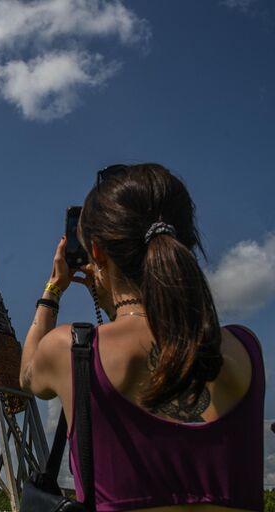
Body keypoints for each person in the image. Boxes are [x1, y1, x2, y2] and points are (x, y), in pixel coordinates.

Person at [20, 164, 264, 511]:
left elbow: (28, 374)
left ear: (97, 252)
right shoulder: (245, 350)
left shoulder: (73, 350)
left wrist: (53, 289)